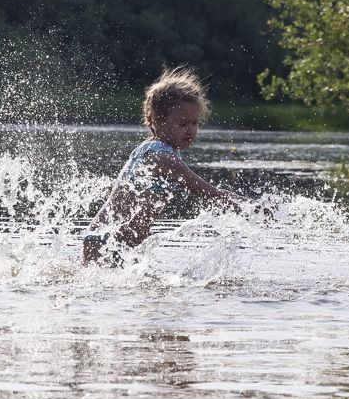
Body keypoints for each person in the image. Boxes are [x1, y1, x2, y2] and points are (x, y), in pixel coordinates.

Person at [84, 67, 245, 265]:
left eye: (195, 123)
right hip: (105, 242)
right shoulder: (160, 157)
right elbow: (206, 191)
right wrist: (248, 208)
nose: (191, 130)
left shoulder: (164, 151)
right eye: (183, 124)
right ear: (155, 122)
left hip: (121, 246)